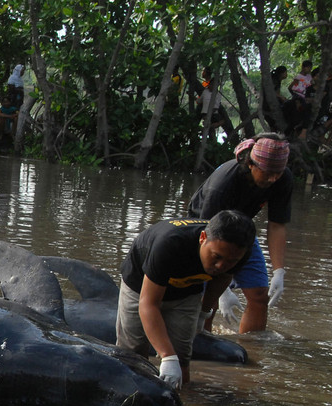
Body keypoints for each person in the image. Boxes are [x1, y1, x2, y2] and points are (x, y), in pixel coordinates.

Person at [116, 211, 256, 389]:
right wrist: (167, 356)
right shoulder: (169, 243)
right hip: (140, 286)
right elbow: (149, 304)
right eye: (216, 257)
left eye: (231, 261)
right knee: (133, 353)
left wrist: (203, 312)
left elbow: (222, 278)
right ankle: (129, 394)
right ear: (203, 237)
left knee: (181, 357)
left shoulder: (240, 251)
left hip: (187, 291)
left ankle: (182, 402)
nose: (221, 265)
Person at [186, 133, 293, 333]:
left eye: (277, 173)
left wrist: (279, 270)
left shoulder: (282, 178)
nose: (273, 178)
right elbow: (208, 233)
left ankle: (251, 351)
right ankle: (202, 342)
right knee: (208, 298)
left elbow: (277, 224)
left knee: (260, 295)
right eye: (268, 173)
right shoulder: (224, 183)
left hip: (242, 230)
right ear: (251, 164)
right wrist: (222, 289)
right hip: (205, 231)